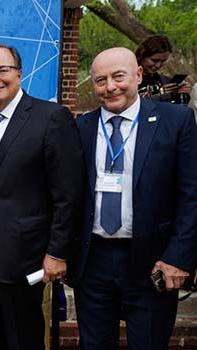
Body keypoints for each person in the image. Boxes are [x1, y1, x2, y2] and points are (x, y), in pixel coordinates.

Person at [67, 47, 197, 349]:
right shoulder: (81, 127)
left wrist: (179, 257)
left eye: (118, 76)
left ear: (138, 75)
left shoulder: (176, 121)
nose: (110, 86)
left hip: (153, 262)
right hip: (93, 262)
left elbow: (191, 195)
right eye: (100, 80)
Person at [0, 43, 84, 350]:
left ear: (19, 73)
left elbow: (68, 193)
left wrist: (57, 252)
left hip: (26, 256)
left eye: (3, 70)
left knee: (23, 339)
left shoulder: (51, 117)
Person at [135, 35, 191, 106]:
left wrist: (180, 93)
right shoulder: (128, 79)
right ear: (142, 55)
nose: (158, 65)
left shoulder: (162, 80)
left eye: (163, 61)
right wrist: (160, 95)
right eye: (154, 60)